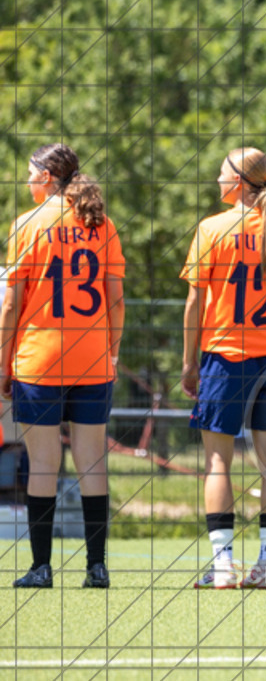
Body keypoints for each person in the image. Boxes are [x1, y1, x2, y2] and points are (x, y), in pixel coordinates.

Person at [181, 147, 266, 589]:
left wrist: (188, 362)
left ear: (238, 181)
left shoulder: (211, 229)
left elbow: (195, 302)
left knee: (219, 461)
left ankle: (222, 566)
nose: (217, 180)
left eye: (222, 174)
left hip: (224, 357)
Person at [1, 143, 125, 588]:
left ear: (49, 176)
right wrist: (110, 351)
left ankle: (41, 567)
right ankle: (96, 566)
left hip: (40, 359)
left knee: (43, 465)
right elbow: (115, 299)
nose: (28, 180)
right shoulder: (102, 224)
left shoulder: (27, 225)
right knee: (93, 463)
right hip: (92, 361)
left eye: (32, 173)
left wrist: (3, 364)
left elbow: (12, 303)